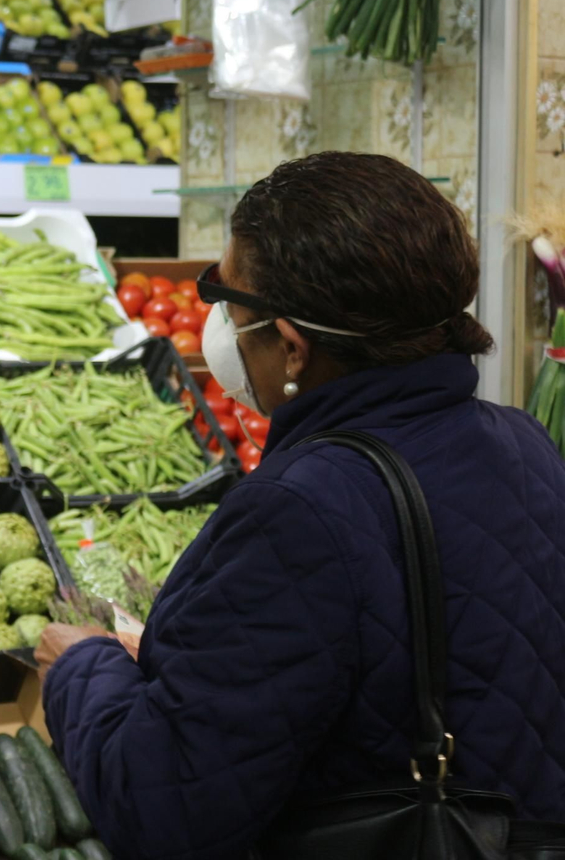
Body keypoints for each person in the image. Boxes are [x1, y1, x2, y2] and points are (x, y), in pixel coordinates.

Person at [37, 152, 565, 860]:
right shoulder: (526, 441)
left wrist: (82, 669)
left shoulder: (299, 511)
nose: (219, 323)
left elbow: (165, 809)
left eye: (229, 300)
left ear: (290, 347)